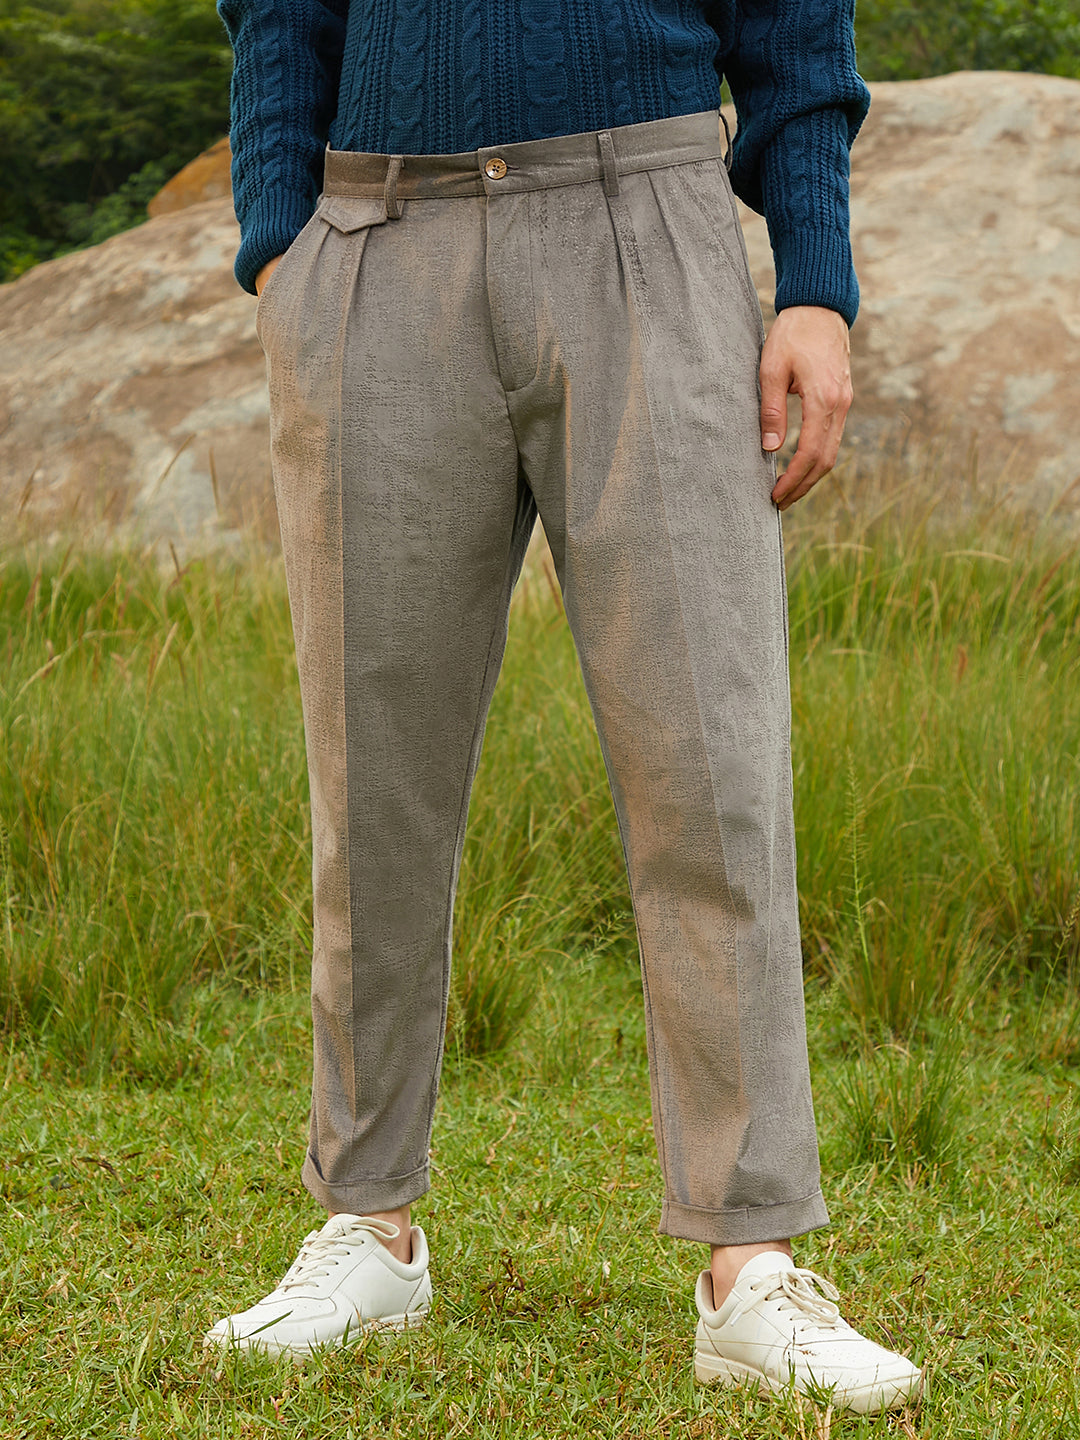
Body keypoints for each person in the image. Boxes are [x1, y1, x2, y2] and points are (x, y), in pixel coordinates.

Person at [205, 0, 922, 1414]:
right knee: (373, 780)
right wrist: (280, 239)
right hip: (377, 238)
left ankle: (751, 1262)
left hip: (646, 222)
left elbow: (796, 23)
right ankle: (368, 1223)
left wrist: (815, 283)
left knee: (710, 769)